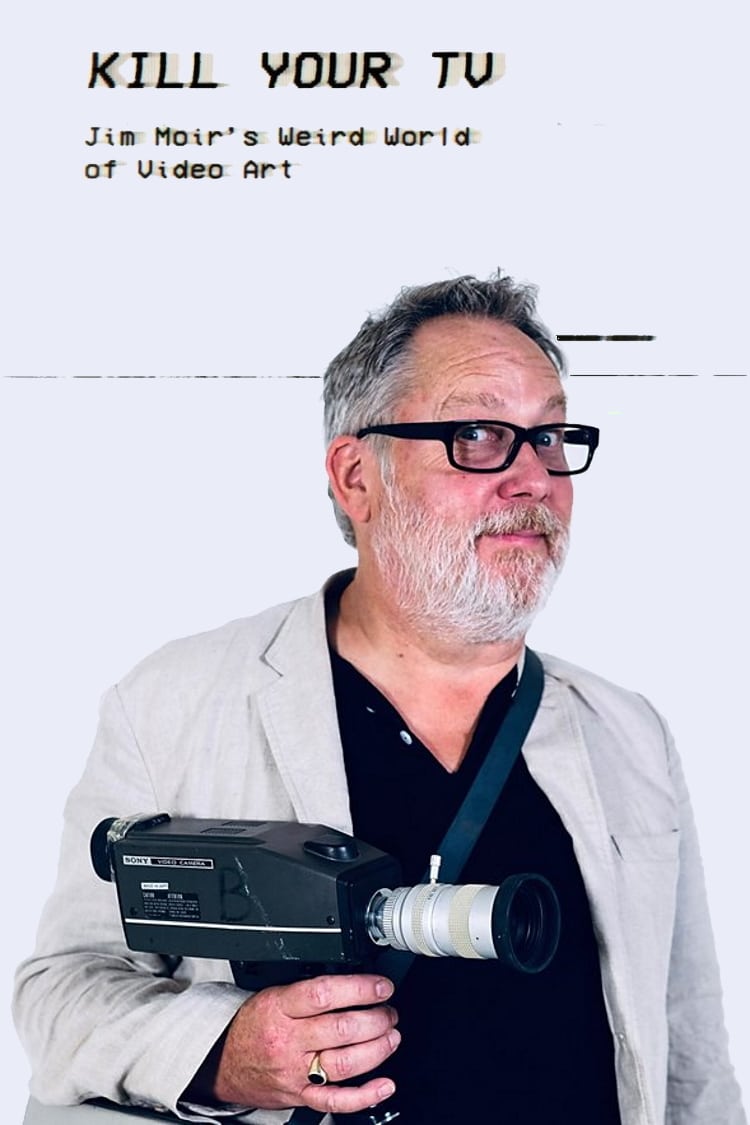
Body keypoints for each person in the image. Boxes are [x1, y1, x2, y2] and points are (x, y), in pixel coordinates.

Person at [14, 274, 745, 1125]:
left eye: (549, 436)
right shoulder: (175, 704)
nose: (534, 478)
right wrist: (225, 1050)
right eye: (477, 434)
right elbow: (60, 994)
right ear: (357, 476)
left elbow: (691, 1056)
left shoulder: (629, 732)